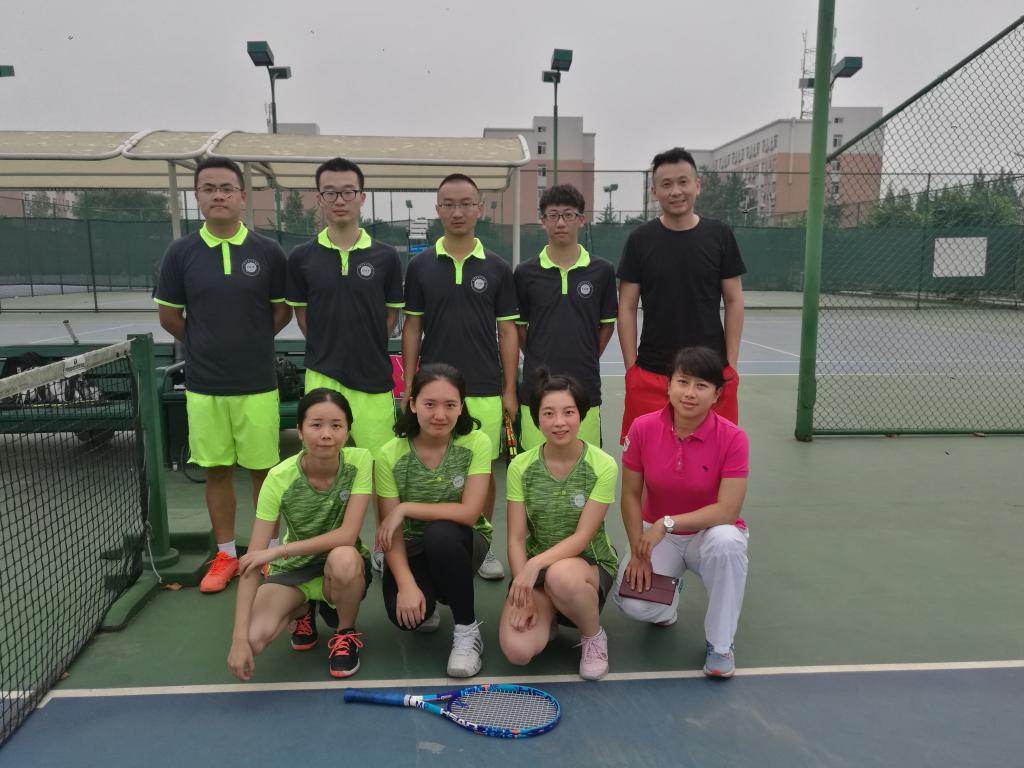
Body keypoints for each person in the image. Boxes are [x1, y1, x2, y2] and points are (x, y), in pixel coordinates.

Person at [155, 157, 291, 593]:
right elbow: (169, 317)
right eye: (209, 188)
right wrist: (205, 344)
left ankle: (268, 552)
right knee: (216, 471)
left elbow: (281, 312)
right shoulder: (180, 253)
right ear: (197, 196)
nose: (218, 195)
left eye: (226, 188)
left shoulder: (268, 252)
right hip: (204, 385)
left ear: (242, 196)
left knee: (264, 473)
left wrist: (248, 341)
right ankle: (227, 555)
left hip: (257, 384)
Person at [285, 157, 404, 575]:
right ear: (319, 198)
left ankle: (383, 547)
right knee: (322, 468)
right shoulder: (301, 257)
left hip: (373, 381)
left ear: (362, 197)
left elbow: (390, 318)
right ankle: (329, 548)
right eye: (331, 192)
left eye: (348, 191)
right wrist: (332, 349)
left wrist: (361, 347)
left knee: (379, 471)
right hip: (323, 376)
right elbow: (303, 317)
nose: (340, 199)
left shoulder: (386, 257)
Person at [401, 173, 519, 580]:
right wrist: (409, 385)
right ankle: (422, 546)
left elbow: (508, 331)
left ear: (480, 208)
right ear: (438, 210)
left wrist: (509, 389)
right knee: (431, 467)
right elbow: (412, 327)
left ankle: (481, 546)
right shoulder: (419, 266)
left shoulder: (498, 267)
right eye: (449, 204)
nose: (458, 211)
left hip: (483, 388)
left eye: (466, 203)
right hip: (434, 390)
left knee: (482, 471)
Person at [613, 346, 749, 678]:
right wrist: (639, 551)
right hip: (660, 536)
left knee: (728, 543)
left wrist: (668, 523)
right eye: (683, 382)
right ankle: (669, 599)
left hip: (708, 534)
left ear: (716, 395)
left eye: (701, 385)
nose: (689, 393)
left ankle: (720, 645)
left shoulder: (733, 438)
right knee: (634, 604)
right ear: (669, 385)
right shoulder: (642, 428)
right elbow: (630, 495)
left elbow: (728, 510)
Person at [227, 389, 373, 680]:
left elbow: (347, 535)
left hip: (338, 568)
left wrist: (278, 550)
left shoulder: (360, 462)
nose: (326, 434)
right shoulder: (278, 479)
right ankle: (303, 607)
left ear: (347, 431)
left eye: (336, 425)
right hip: (293, 571)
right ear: (300, 431)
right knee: (254, 639)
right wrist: (238, 640)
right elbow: (252, 563)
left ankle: (345, 633)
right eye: (316, 425)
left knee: (345, 557)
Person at [617, 147, 746, 442]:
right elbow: (626, 307)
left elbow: (734, 300)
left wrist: (730, 365)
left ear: (697, 186)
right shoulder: (639, 240)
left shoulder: (720, 235)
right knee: (646, 458)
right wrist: (631, 369)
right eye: (666, 184)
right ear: (654, 192)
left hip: (711, 375)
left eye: (683, 182)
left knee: (714, 457)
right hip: (652, 374)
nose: (676, 191)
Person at [374, 364, 493, 678]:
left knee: (441, 534)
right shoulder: (389, 455)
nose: (440, 414)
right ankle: (430, 596)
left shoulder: (476, 443)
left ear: (461, 407)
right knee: (406, 617)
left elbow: (470, 513)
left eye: (450, 405)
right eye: (430, 404)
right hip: (411, 545)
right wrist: (406, 584)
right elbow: (391, 533)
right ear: (413, 404)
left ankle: (467, 631)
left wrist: (405, 508)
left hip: (463, 541)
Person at [499, 371, 619, 680]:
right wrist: (523, 589)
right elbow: (515, 538)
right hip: (537, 571)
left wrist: (533, 566)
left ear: (581, 414)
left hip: (586, 565)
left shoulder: (602, 465)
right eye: (548, 413)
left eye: (568, 412)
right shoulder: (520, 466)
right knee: (517, 651)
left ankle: (593, 637)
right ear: (537, 419)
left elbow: (583, 537)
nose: (559, 422)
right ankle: (548, 613)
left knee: (560, 575)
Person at [514, 184, 617, 450]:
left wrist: (587, 354)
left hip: (585, 385)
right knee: (535, 465)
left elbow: (607, 326)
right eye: (553, 215)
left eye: (568, 215)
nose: (561, 223)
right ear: (543, 221)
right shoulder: (525, 273)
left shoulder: (602, 271)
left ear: (581, 220)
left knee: (583, 465)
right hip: (537, 388)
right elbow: (519, 328)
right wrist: (537, 354)